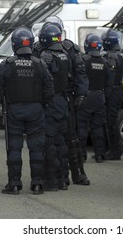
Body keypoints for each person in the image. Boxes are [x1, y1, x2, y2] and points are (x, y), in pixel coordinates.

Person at [0, 26, 54, 195]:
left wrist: (6, 103)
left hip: (14, 110)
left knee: (14, 148)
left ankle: (14, 184)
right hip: (36, 110)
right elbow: (49, 88)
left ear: (14, 44)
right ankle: (37, 184)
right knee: (37, 148)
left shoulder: (7, 64)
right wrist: (41, 104)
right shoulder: (40, 64)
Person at [33, 16, 90, 186]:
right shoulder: (36, 49)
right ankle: (51, 175)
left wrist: (81, 94)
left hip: (67, 96)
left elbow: (80, 73)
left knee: (72, 138)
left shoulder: (70, 48)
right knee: (48, 139)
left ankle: (78, 173)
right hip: (46, 99)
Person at [37, 22, 71, 191]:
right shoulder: (65, 54)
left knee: (48, 142)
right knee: (61, 142)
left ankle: (51, 181)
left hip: (50, 102)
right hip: (62, 102)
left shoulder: (46, 56)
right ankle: (64, 178)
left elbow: (43, 82)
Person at [77, 33, 110, 163]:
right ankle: (100, 154)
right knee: (98, 127)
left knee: (82, 127)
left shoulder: (83, 61)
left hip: (86, 96)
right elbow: (108, 82)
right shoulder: (104, 62)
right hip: (99, 97)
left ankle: (81, 155)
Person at [101, 29, 123, 160]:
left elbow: (110, 78)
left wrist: (106, 94)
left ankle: (115, 151)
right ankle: (111, 149)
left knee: (111, 121)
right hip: (116, 90)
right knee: (111, 120)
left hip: (112, 92)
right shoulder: (118, 55)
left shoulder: (112, 57)